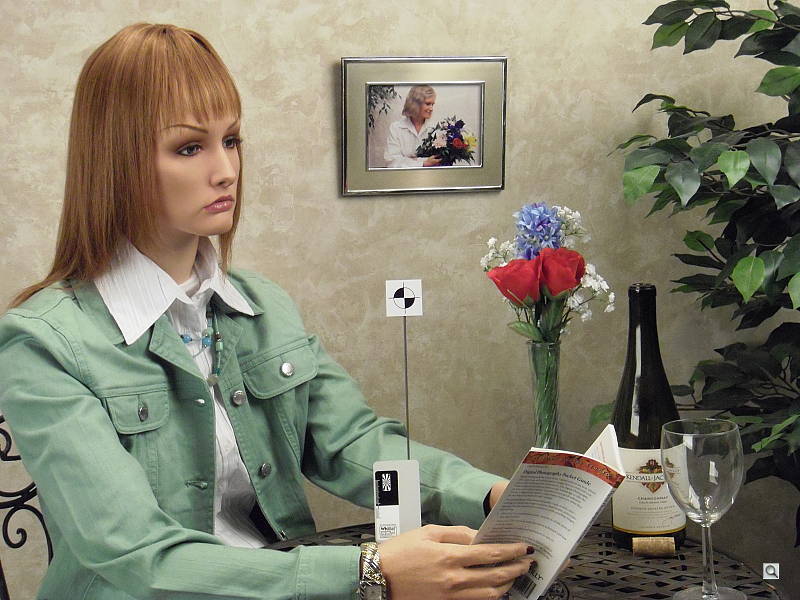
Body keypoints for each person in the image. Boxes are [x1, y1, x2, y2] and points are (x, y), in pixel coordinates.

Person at [0, 24, 535, 600]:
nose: (226, 170)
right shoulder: (42, 345)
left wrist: (488, 495)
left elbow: (349, 444)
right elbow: (135, 553)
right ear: (115, 162)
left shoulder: (261, 305)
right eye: (189, 148)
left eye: (231, 140)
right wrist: (370, 575)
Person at [384, 85, 442, 168]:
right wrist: (423, 163)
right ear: (415, 104)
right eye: (428, 104)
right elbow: (391, 162)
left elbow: (439, 160)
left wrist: (408, 160)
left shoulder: (436, 128)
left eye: (432, 104)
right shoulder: (396, 128)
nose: (431, 108)